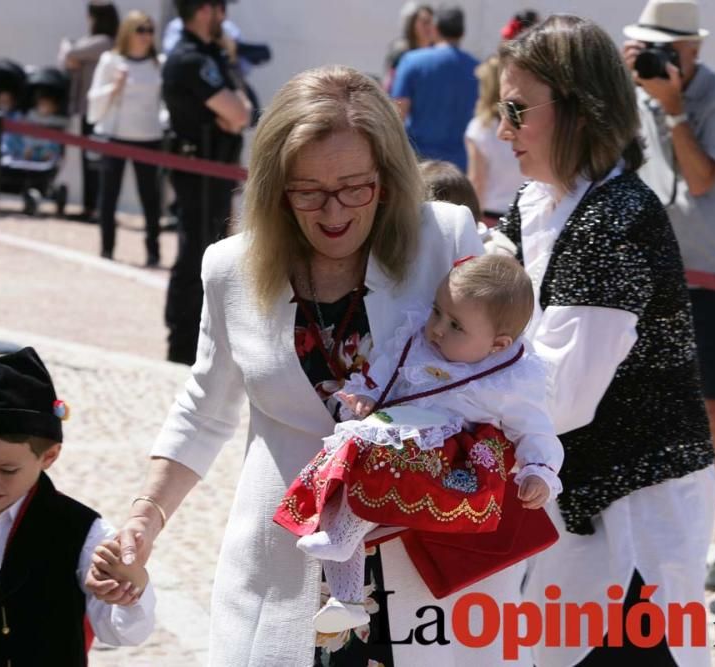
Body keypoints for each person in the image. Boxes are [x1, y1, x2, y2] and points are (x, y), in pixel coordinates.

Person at [87, 65, 541, 666]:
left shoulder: (445, 237)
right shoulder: (229, 269)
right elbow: (203, 410)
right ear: (275, 188)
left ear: (388, 179)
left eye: (356, 186)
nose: (333, 211)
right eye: (308, 191)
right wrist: (145, 520)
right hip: (284, 568)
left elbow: (504, 364)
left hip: (430, 574)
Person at [488, 15, 715, 665]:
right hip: (574, 503)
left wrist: (459, 395)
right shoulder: (542, 201)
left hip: (633, 515)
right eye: (499, 110)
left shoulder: (612, 223)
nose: (503, 129)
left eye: (516, 110)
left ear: (579, 110)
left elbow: (564, 396)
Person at [276, 255, 562, 633]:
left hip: (450, 465)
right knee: (339, 489)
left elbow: (537, 431)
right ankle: (345, 599)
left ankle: (344, 540)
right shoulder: (417, 338)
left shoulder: (511, 381)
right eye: (438, 312)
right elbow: (383, 369)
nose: (438, 329)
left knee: (366, 485)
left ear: (498, 344)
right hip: (397, 439)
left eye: (456, 325)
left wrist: (538, 470)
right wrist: (365, 394)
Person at [0, 347, 154, 667]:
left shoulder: (81, 534)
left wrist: (131, 587)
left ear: (49, 456)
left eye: (7, 470)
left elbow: (125, 633)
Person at [622, 0, 715, 594]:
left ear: (694, 51)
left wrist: (674, 111)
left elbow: (701, 180)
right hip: (652, 271)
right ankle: (650, 539)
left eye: (668, 50)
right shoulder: (632, 93)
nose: (659, 59)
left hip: (712, 275)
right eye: (650, 48)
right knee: (642, 404)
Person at [161, 0, 251, 365]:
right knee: (197, 256)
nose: (224, 17)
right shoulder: (190, 58)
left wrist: (232, 116)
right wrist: (231, 116)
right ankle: (183, 346)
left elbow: (241, 113)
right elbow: (237, 112)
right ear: (203, 10)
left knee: (213, 252)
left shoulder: (210, 54)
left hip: (215, 169)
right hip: (199, 170)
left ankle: (202, 345)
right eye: (220, 8)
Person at [88, 10, 164, 266]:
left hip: (148, 136)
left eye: (150, 30)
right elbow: (94, 98)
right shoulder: (110, 61)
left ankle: (153, 251)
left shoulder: (158, 64)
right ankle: (106, 248)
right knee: (108, 195)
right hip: (115, 136)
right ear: (127, 32)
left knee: (151, 197)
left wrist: (164, 123)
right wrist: (115, 87)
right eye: (140, 30)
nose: (146, 36)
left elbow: (164, 103)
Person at [391, 5, 479, 171]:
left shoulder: (412, 61)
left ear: (435, 29)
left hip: (421, 162)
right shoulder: (477, 67)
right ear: (462, 33)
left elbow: (398, 113)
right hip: (461, 165)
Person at [59, 0, 120, 222]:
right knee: (91, 161)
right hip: (94, 109)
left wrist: (68, 47)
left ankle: (94, 208)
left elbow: (69, 52)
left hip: (97, 111)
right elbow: (68, 60)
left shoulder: (103, 42)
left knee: (95, 163)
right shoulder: (103, 43)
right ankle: (91, 206)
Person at [464, 55, 524, 224]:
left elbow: (477, 183)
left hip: (491, 218)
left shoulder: (479, 129)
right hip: (525, 213)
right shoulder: (525, 123)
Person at [382, 2, 435, 92]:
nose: (429, 27)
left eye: (431, 23)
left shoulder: (437, 52)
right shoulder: (401, 50)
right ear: (412, 24)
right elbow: (389, 84)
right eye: (425, 22)